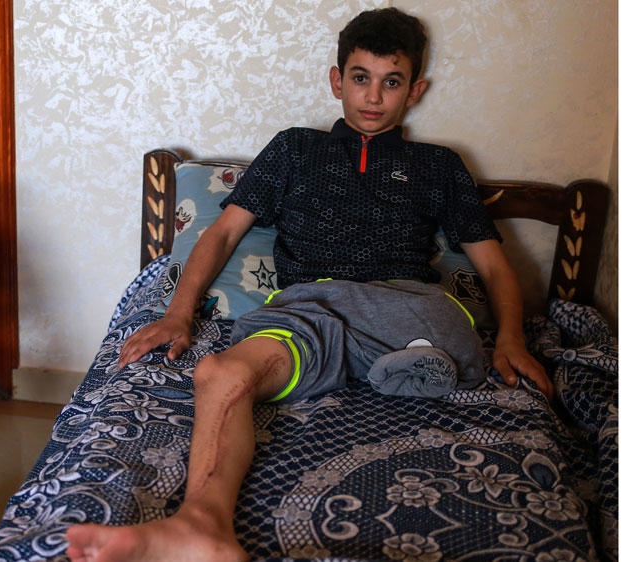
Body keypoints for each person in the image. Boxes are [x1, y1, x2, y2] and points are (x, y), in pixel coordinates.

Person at [66, 7, 548, 562]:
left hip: (406, 309)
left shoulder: (439, 165)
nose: (373, 96)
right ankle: (202, 524)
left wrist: (511, 337)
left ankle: (409, 362)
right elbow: (223, 234)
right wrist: (178, 312)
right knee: (220, 371)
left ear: (414, 91)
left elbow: (493, 266)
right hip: (308, 312)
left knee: (442, 323)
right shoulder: (295, 149)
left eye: (391, 82)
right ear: (337, 80)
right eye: (361, 78)